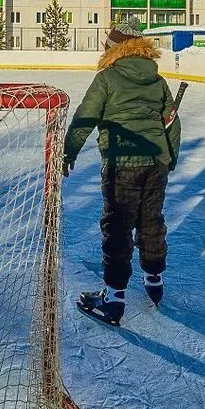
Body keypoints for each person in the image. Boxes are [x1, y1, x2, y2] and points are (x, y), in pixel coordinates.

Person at [63, 21, 183, 326]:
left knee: (118, 226)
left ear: (113, 48)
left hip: (123, 161)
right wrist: (169, 158)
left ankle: (113, 299)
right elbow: (172, 123)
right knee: (151, 219)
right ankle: (154, 280)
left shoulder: (108, 78)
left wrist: (68, 152)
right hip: (155, 161)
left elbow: (85, 116)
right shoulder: (157, 80)